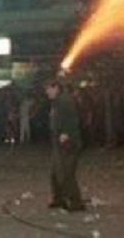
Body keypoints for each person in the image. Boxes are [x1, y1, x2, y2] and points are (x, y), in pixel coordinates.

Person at [45, 78, 86, 212]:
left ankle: (76, 202)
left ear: (56, 87)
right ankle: (58, 198)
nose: (47, 92)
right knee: (55, 172)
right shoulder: (57, 102)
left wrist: (66, 133)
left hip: (68, 143)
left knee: (66, 173)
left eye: (49, 89)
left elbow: (73, 119)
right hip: (58, 141)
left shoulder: (65, 101)